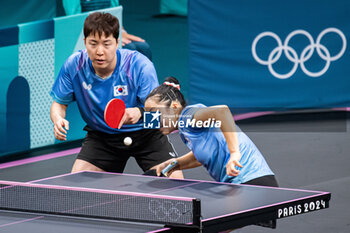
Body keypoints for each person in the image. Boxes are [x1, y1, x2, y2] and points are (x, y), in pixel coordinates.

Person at [50, 12, 183, 179]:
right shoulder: (74, 65)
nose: (99, 51)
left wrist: (139, 113)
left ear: (117, 43)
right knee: (78, 184)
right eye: (93, 43)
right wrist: (58, 119)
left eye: (106, 44)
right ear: (84, 43)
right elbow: (59, 104)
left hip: (147, 134)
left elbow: (160, 117)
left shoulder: (139, 66)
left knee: (174, 182)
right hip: (103, 137)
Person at [145, 76, 278, 187]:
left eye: (154, 112)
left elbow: (222, 111)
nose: (152, 119)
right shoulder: (184, 129)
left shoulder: (188, 116)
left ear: (174, 107)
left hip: (251, 182)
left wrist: (235, 154)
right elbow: (204, 155)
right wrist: (173, 164)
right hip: (248, 182)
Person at [62, 0, 152, 60]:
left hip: (109, 31)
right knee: (129, 49)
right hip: (86, 35)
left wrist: (121, 31)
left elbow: (115, 13)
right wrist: (109, 36)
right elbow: (75, 21)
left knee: (143, 48)